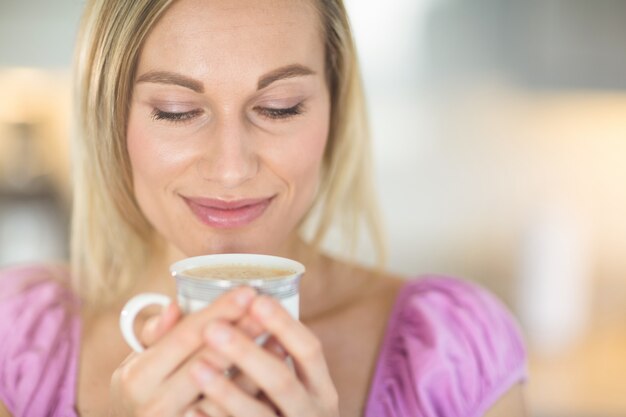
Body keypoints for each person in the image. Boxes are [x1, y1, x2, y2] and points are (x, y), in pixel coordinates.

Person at [0, 0, 527, 416]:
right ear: (111, 121)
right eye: (177, 112)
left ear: (334, 112)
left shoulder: (453, 352)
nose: (231, 170)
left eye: (280, 108)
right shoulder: (15, 341)